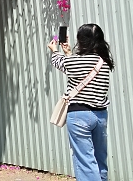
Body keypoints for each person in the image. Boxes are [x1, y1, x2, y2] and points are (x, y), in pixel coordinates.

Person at [48, 23, 115, 181]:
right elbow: (80, 69)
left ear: (81, 41)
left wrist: (55, 50)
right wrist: (69, 53)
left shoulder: (76, 62)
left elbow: (59, 63)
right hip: (100, 115)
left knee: (85, 161)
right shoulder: (104, 62)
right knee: (100, 160)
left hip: (79, 116)